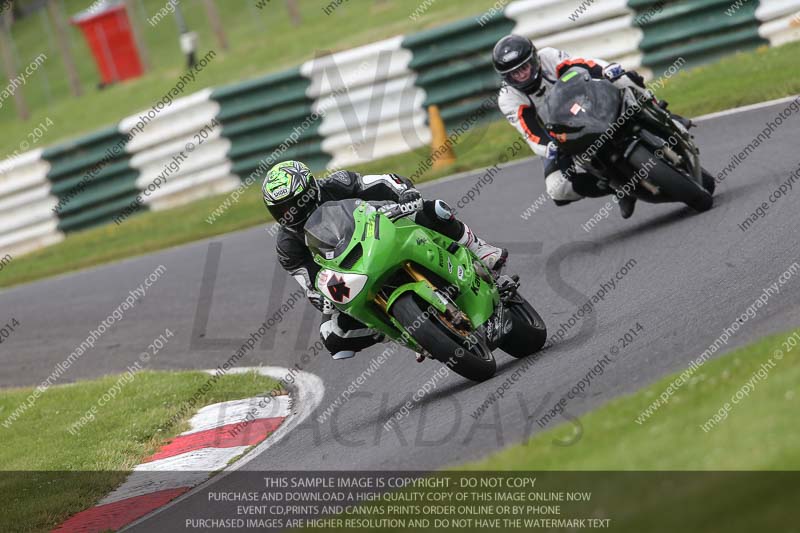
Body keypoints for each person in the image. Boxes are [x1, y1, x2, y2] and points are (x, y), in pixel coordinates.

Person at [263, 160, 507, 360]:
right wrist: (324, 299)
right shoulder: (287, 247)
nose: (289, 214)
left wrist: (405, 194)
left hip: (380, 228)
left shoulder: (337, 183)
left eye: (294, 204)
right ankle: (404, 332)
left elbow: (382, 181)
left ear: (311, 190)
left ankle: (480, 250)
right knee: (332, 336)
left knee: (433, 210)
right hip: (350, 272)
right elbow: (310, 285)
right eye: (281, 210)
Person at [492, 34, 692, 219]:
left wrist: (606, 70)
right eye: (514, 74)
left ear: (534, 59)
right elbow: (531, 133)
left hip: (589, 101)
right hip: (561, 135)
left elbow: (584, 64)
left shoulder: (549, 57)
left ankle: (664, 115)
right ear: (506, 78)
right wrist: (551, 147)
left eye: (524, 68)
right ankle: (619, 188)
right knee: (557, 189)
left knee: (622, 77)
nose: (522, 76)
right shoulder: (508, 98)